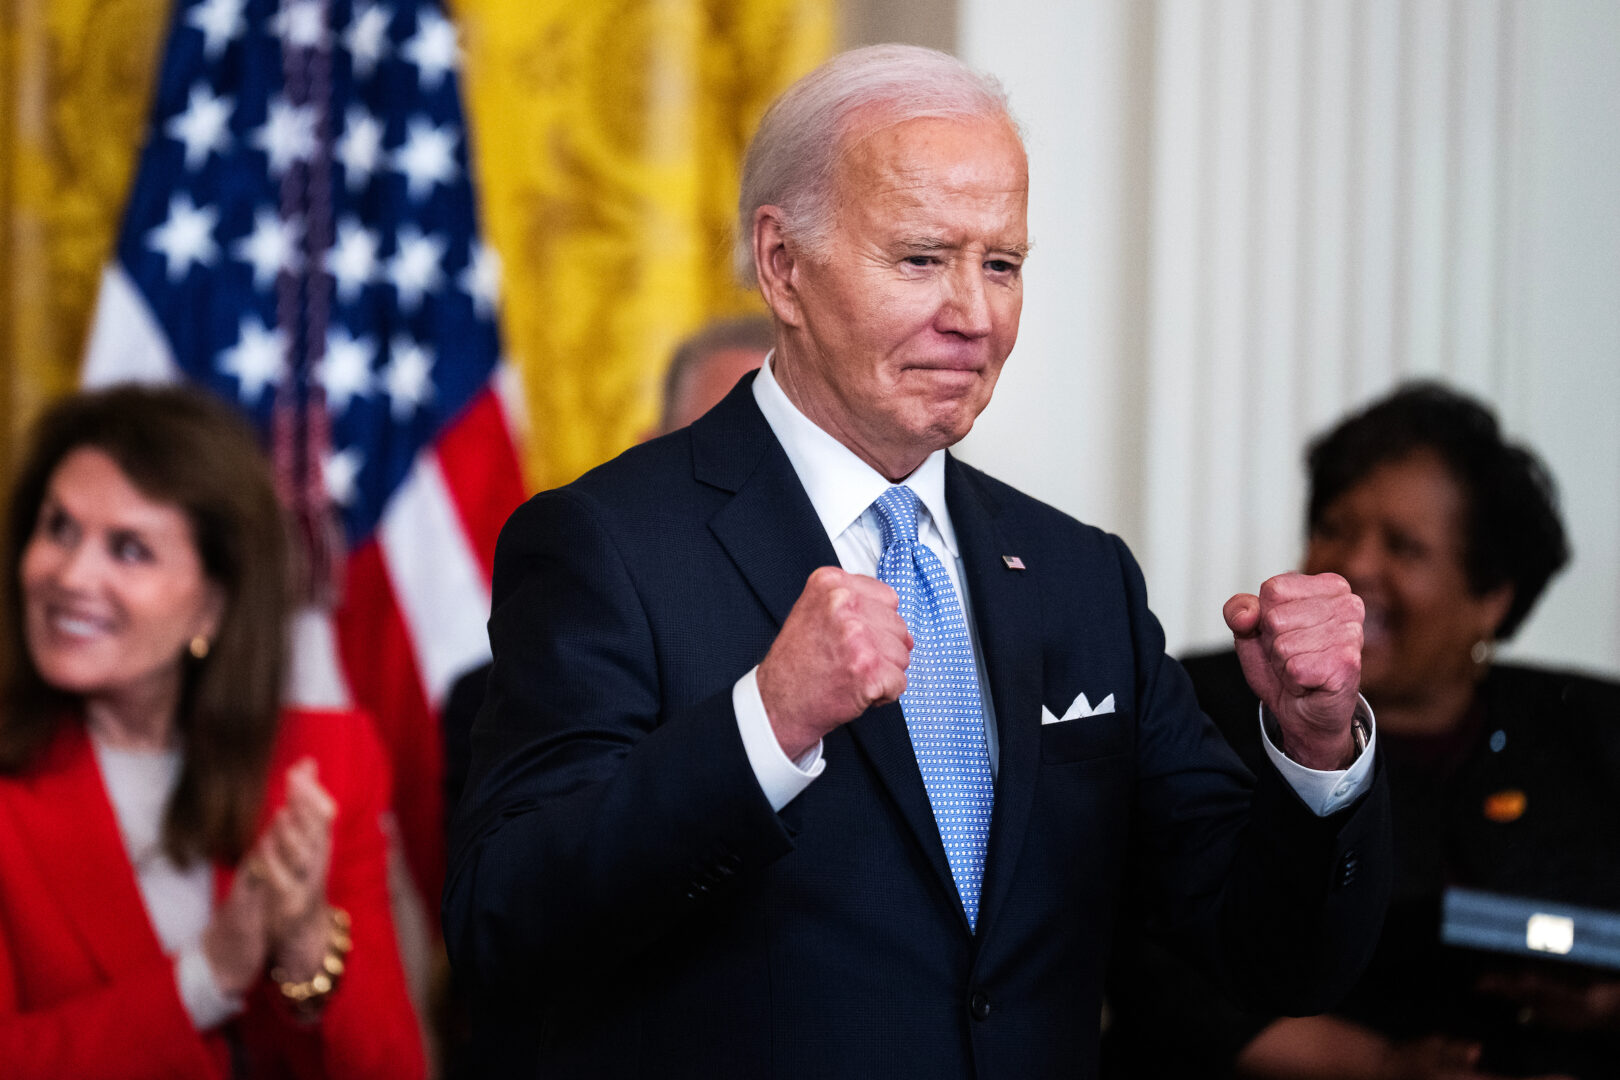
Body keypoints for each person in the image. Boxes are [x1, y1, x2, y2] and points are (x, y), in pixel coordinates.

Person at [444, 44, 1391, 1078]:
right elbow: (508, 923)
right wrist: (767, 720)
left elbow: (1270, 955)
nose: (973, 316)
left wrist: (1316, 748)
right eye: (921, 259)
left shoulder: (1080, 575)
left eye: (1002, 265)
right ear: (783, 266)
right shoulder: (608, 544)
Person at [1103, 382, 1620, 1080]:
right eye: (1337, 528)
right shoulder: (1199, 702)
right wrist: (1381, 1065)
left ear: (1490, 596)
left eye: (1405, 548)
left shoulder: (1586, 727)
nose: (1355, 565)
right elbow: (1145, 966)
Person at [0, 385, 425, 1078]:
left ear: (213, 608)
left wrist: (308, 945)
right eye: (58, 528)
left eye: (129, 549)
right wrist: (206, 975)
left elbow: (394, 1067)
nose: (71, 574)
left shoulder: (326, 763)